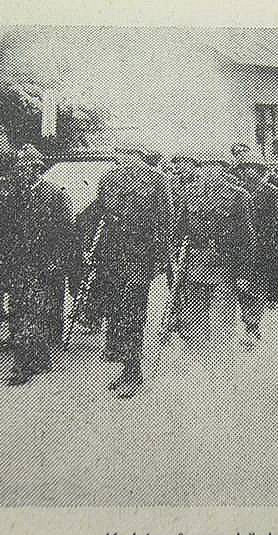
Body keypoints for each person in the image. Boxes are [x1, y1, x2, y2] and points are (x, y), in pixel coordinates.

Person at [91, 155, 167, 398]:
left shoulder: (156, 179)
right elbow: (99, 216)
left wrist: (159, 260)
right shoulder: (108, 178)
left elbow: (165, 223)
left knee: (132, 314)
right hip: (113, 258)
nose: (124, 157)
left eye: (128, 152)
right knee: (117, 313)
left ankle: (132, 372)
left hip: (139, 258)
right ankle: (126, 369)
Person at [0, 144, 72, 385]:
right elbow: (5, 230)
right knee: (23, 310)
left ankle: (23, 365)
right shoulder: (14, 196)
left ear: (36, 168)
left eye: (24, 166)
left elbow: (66, 234)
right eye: (18, 166)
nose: (19, 170)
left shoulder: (54, 195)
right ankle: (38, 358)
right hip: (19, 263)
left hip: (43, 264)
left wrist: (57, 262)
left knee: (32, 312)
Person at [170, 152, 256, 361]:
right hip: (194, 266)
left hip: (224, 266)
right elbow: (178, 230)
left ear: (223, 169)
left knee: (223, 321)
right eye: (205, 166)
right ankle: (198, 361)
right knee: (195, 319)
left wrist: (244, 274)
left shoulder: (239, 195)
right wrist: (174, 261)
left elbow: (247, 238)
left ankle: (221, 364)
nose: (208, 171)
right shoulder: (188, 193)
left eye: (214, 166)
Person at [232, 158, 278, 348]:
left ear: (259, 170)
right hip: (243, 246)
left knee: (258, 287)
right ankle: (248, 321)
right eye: (245, 169)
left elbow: (277, 222)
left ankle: (252, 325)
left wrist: (273, 246)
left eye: (251, 168)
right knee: (242, 287)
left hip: (263, 247)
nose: (248, 172)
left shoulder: (271, 191)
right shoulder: (238, 191)